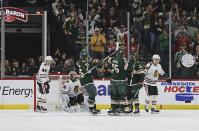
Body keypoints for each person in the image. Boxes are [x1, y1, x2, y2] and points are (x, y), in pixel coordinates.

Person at [77, 49, 102, 114]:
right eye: (86, 56)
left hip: (89, 80)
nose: (87, 58)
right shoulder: (81, 63)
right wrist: (95, 63)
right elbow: (87, 68)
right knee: (92, 93)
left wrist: (96, 63)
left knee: (93, 93)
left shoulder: (80, 62)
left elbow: (90, 66)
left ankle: (94, 107)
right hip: (86, 81)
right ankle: (91, 108)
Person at [107, 49, 128, 115]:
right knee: (122, 95)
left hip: (113, 80)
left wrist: (111, 55)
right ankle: (121, 108)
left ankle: (114, 108)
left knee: (114, 95)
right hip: (120, 80)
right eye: (122, 55)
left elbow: (109, 60)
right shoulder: (123, 61)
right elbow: (126, 67)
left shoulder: (113, 59)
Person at [125, 50, 145, 114]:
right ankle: (130, 108)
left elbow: (142, 74)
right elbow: (126, 71)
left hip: (135, 83)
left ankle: (137, 108)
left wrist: (141, 82)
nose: (130, 57)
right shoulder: (129, 63)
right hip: (128, 83)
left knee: (135, 96)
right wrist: (128, 73)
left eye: (132, 56)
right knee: (128, 96)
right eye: (130, 56)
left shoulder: (137, 64)